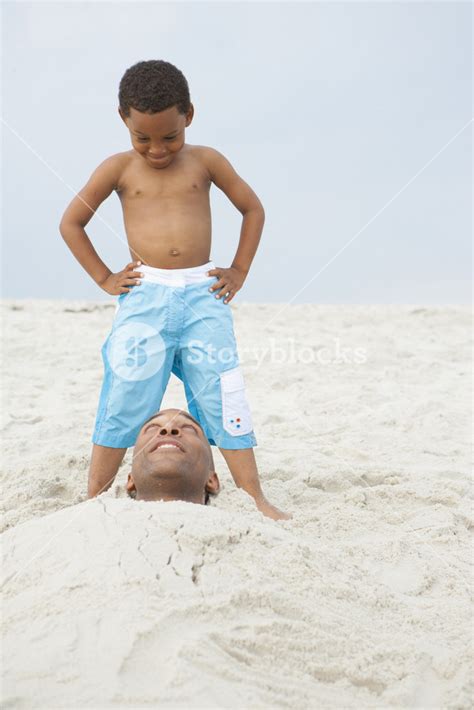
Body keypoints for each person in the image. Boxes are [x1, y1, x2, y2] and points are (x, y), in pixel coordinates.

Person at [59, 59, 291, 521]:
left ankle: (255, 498)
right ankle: (92, 500)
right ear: (124, 119)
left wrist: (239, 270)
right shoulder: (118, 168)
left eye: (169, 136)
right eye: (142, 138)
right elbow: (71, 222)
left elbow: (253, 209)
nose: (157, 149)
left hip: (203, 294)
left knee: (222, 393)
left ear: (189, 114)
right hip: (145, 297)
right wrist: (105, 278)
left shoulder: (206, 161)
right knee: (126, 392)